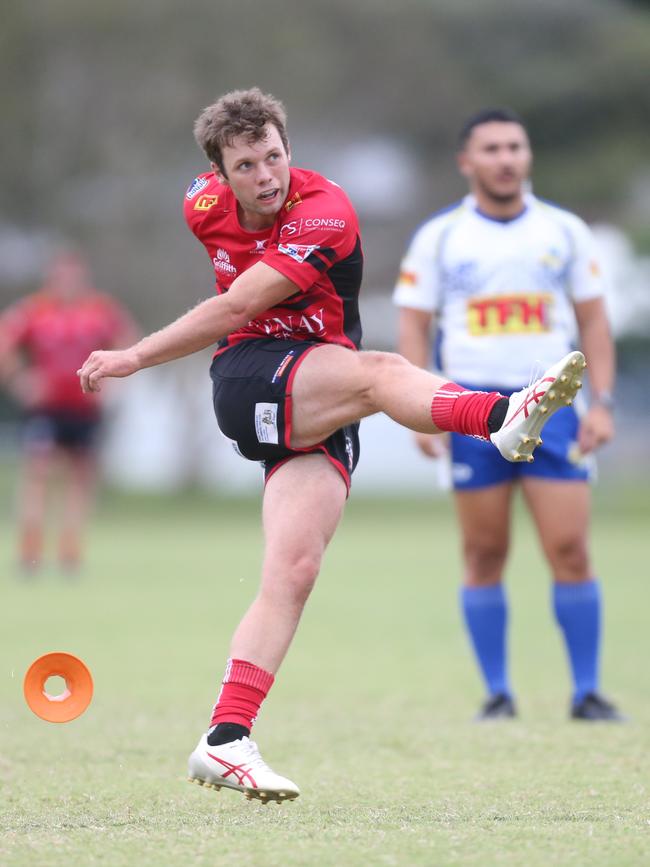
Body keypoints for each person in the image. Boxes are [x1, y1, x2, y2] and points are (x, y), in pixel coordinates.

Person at [77, 89, 585, 802]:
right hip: (249, 375)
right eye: (246, 165)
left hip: (317, 393)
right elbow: (235, 309)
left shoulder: (325, 210)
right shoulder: (200, 204)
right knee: (380, 374)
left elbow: (250, 287)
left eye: (274, 156)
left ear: (291, 149)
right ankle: (500, 415)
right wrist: (134, 356)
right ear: (219, 176)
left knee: (293, 570)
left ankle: (225, 737)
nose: (265, 176)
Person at [393, 108, 624, 723]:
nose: (505, 158)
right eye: (491, 148)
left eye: (515, 146)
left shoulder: (565, 232)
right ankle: (497, 694)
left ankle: (587, 693)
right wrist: (422, 409)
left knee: (570, 548)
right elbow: (414, 324)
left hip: (554, 408)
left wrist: (600, 402)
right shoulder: (440, 237)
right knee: (484, 552)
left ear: (528, 156)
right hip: (474, 410)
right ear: (467, 162)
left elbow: (595, 321)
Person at [0, 250, 138, 574]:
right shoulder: (34, 310)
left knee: (80, 479)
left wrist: (115, 386)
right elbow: (5, 342)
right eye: (61, 275)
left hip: (84, 407)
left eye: (73, 275)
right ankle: (30, 550)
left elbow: (129, 341)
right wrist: (20, 380)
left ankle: (69, 552)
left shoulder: (100, 310)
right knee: (39, 474)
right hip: (46, 410)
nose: (67, 281)